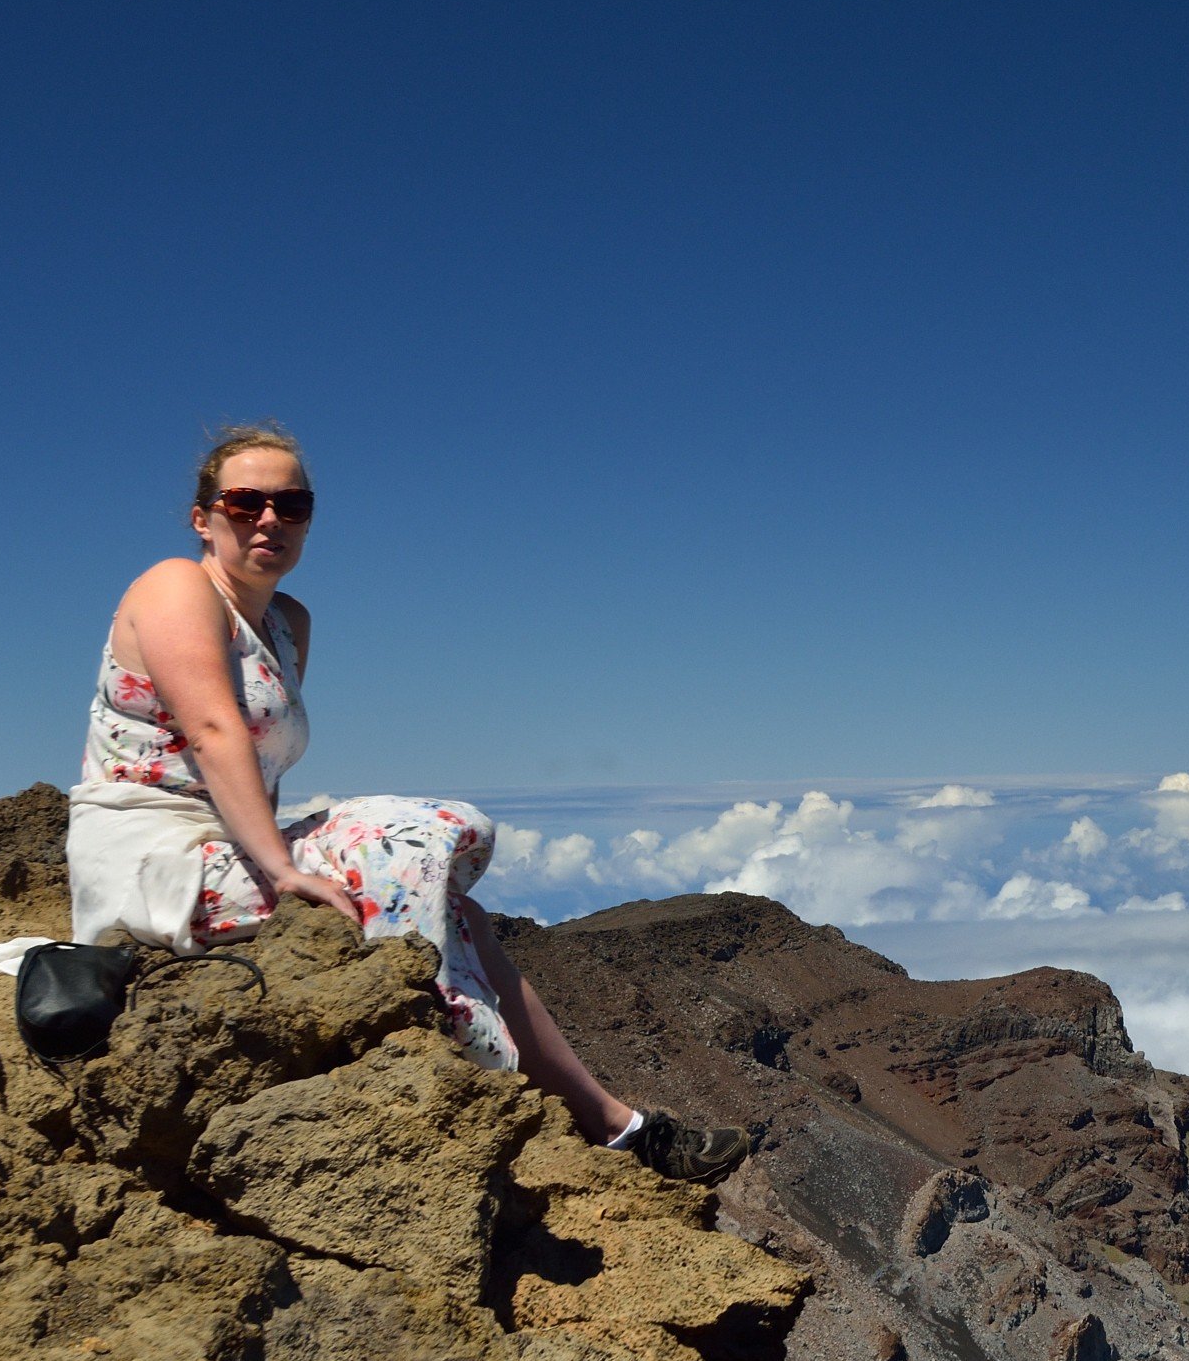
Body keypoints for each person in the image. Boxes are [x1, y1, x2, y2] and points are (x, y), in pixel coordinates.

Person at [65, 423, 746, 1181]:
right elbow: (215, 728)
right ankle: (481, 1089)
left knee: (455, 906)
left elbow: (256, 763)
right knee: (413, 841)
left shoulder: (289, 625)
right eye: (245, 501)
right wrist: (283, 871)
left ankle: (619, 1127)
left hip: (231, 846)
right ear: (204, 517)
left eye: (292, 505)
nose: (269, 520)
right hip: (157, 864)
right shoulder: (175, 586)